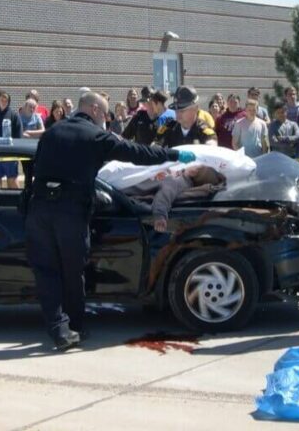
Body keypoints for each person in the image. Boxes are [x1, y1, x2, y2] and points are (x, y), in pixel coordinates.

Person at [25, 91, 196, 351]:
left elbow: (35, 168)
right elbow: (136, 153)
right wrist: (172, 156)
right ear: (94, 109)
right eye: (103, 114)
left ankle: (59, 328)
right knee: (72, 272)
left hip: (39, 210)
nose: (104, 118)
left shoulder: (52, 133)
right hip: (70, 212)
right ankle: (77, 327)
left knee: (47, 272)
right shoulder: (95, 136)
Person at [0, 90, 23, 188]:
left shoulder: (14, 115)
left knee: (12, 180)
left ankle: (15, 201)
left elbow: (19, 135)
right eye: (2, 100)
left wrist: (17, 152)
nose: (4, 102)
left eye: (6, 100)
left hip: (10, 155)